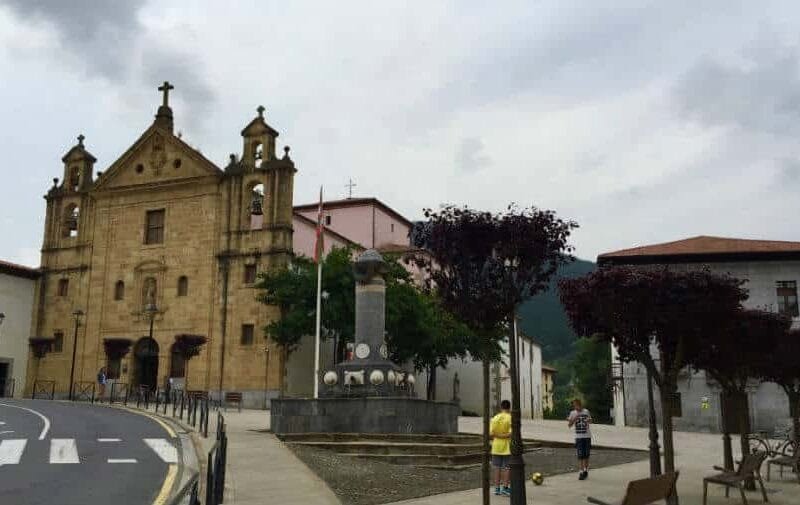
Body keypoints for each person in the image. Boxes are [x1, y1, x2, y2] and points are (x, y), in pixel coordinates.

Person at [490, 399, 512, 496]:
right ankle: (505, 488)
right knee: (507, 468)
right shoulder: (510, 418)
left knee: (496, 467)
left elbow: (491, 433)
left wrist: (497, 436)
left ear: (501, 407)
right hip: (506, 446)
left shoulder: (495, 418)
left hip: (496, 446)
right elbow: (511, 433)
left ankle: (497, 489)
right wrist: (503, 436)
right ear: (509, 408)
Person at [567, 398, 593, 480]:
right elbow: (569, 425)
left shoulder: (586, 411)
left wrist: (589, 420)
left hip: (587, 436)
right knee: (580, 455)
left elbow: (590, 421)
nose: (576, 407)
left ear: (580, 405)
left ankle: (585, 470)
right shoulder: (572, 413)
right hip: (578, 436)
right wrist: (574, 419)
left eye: (576, 405)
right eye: (574, 406)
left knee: (586, 454)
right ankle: (581, 471)